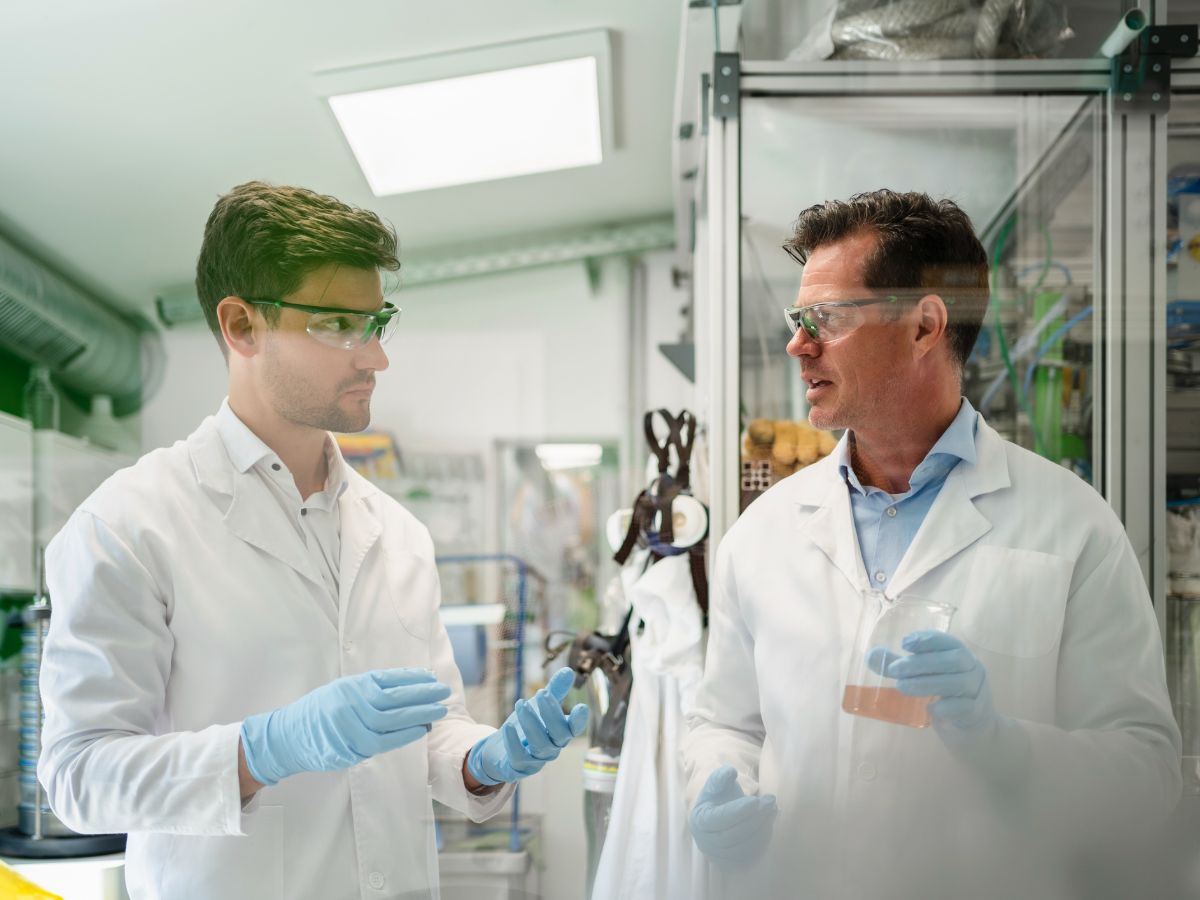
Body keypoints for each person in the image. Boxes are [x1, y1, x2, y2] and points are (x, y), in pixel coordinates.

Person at [37, 182, 588, 900]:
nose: (375, 358)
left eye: (377, 322)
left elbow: (429, 730)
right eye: (336, 324)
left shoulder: (399, 536)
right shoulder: (129, 526)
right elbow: (79, 777)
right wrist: (264, 750)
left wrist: (486, 757)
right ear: (241, 326)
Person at [683, 190, 1182, 899]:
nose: (799, 343)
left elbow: (1147, 775)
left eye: (824, 318)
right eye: (798, 320)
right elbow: (723, 724)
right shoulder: (762, 535)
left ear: (924, 325)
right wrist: (710, 791)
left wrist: (1005, 747)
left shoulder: (1071, 528)